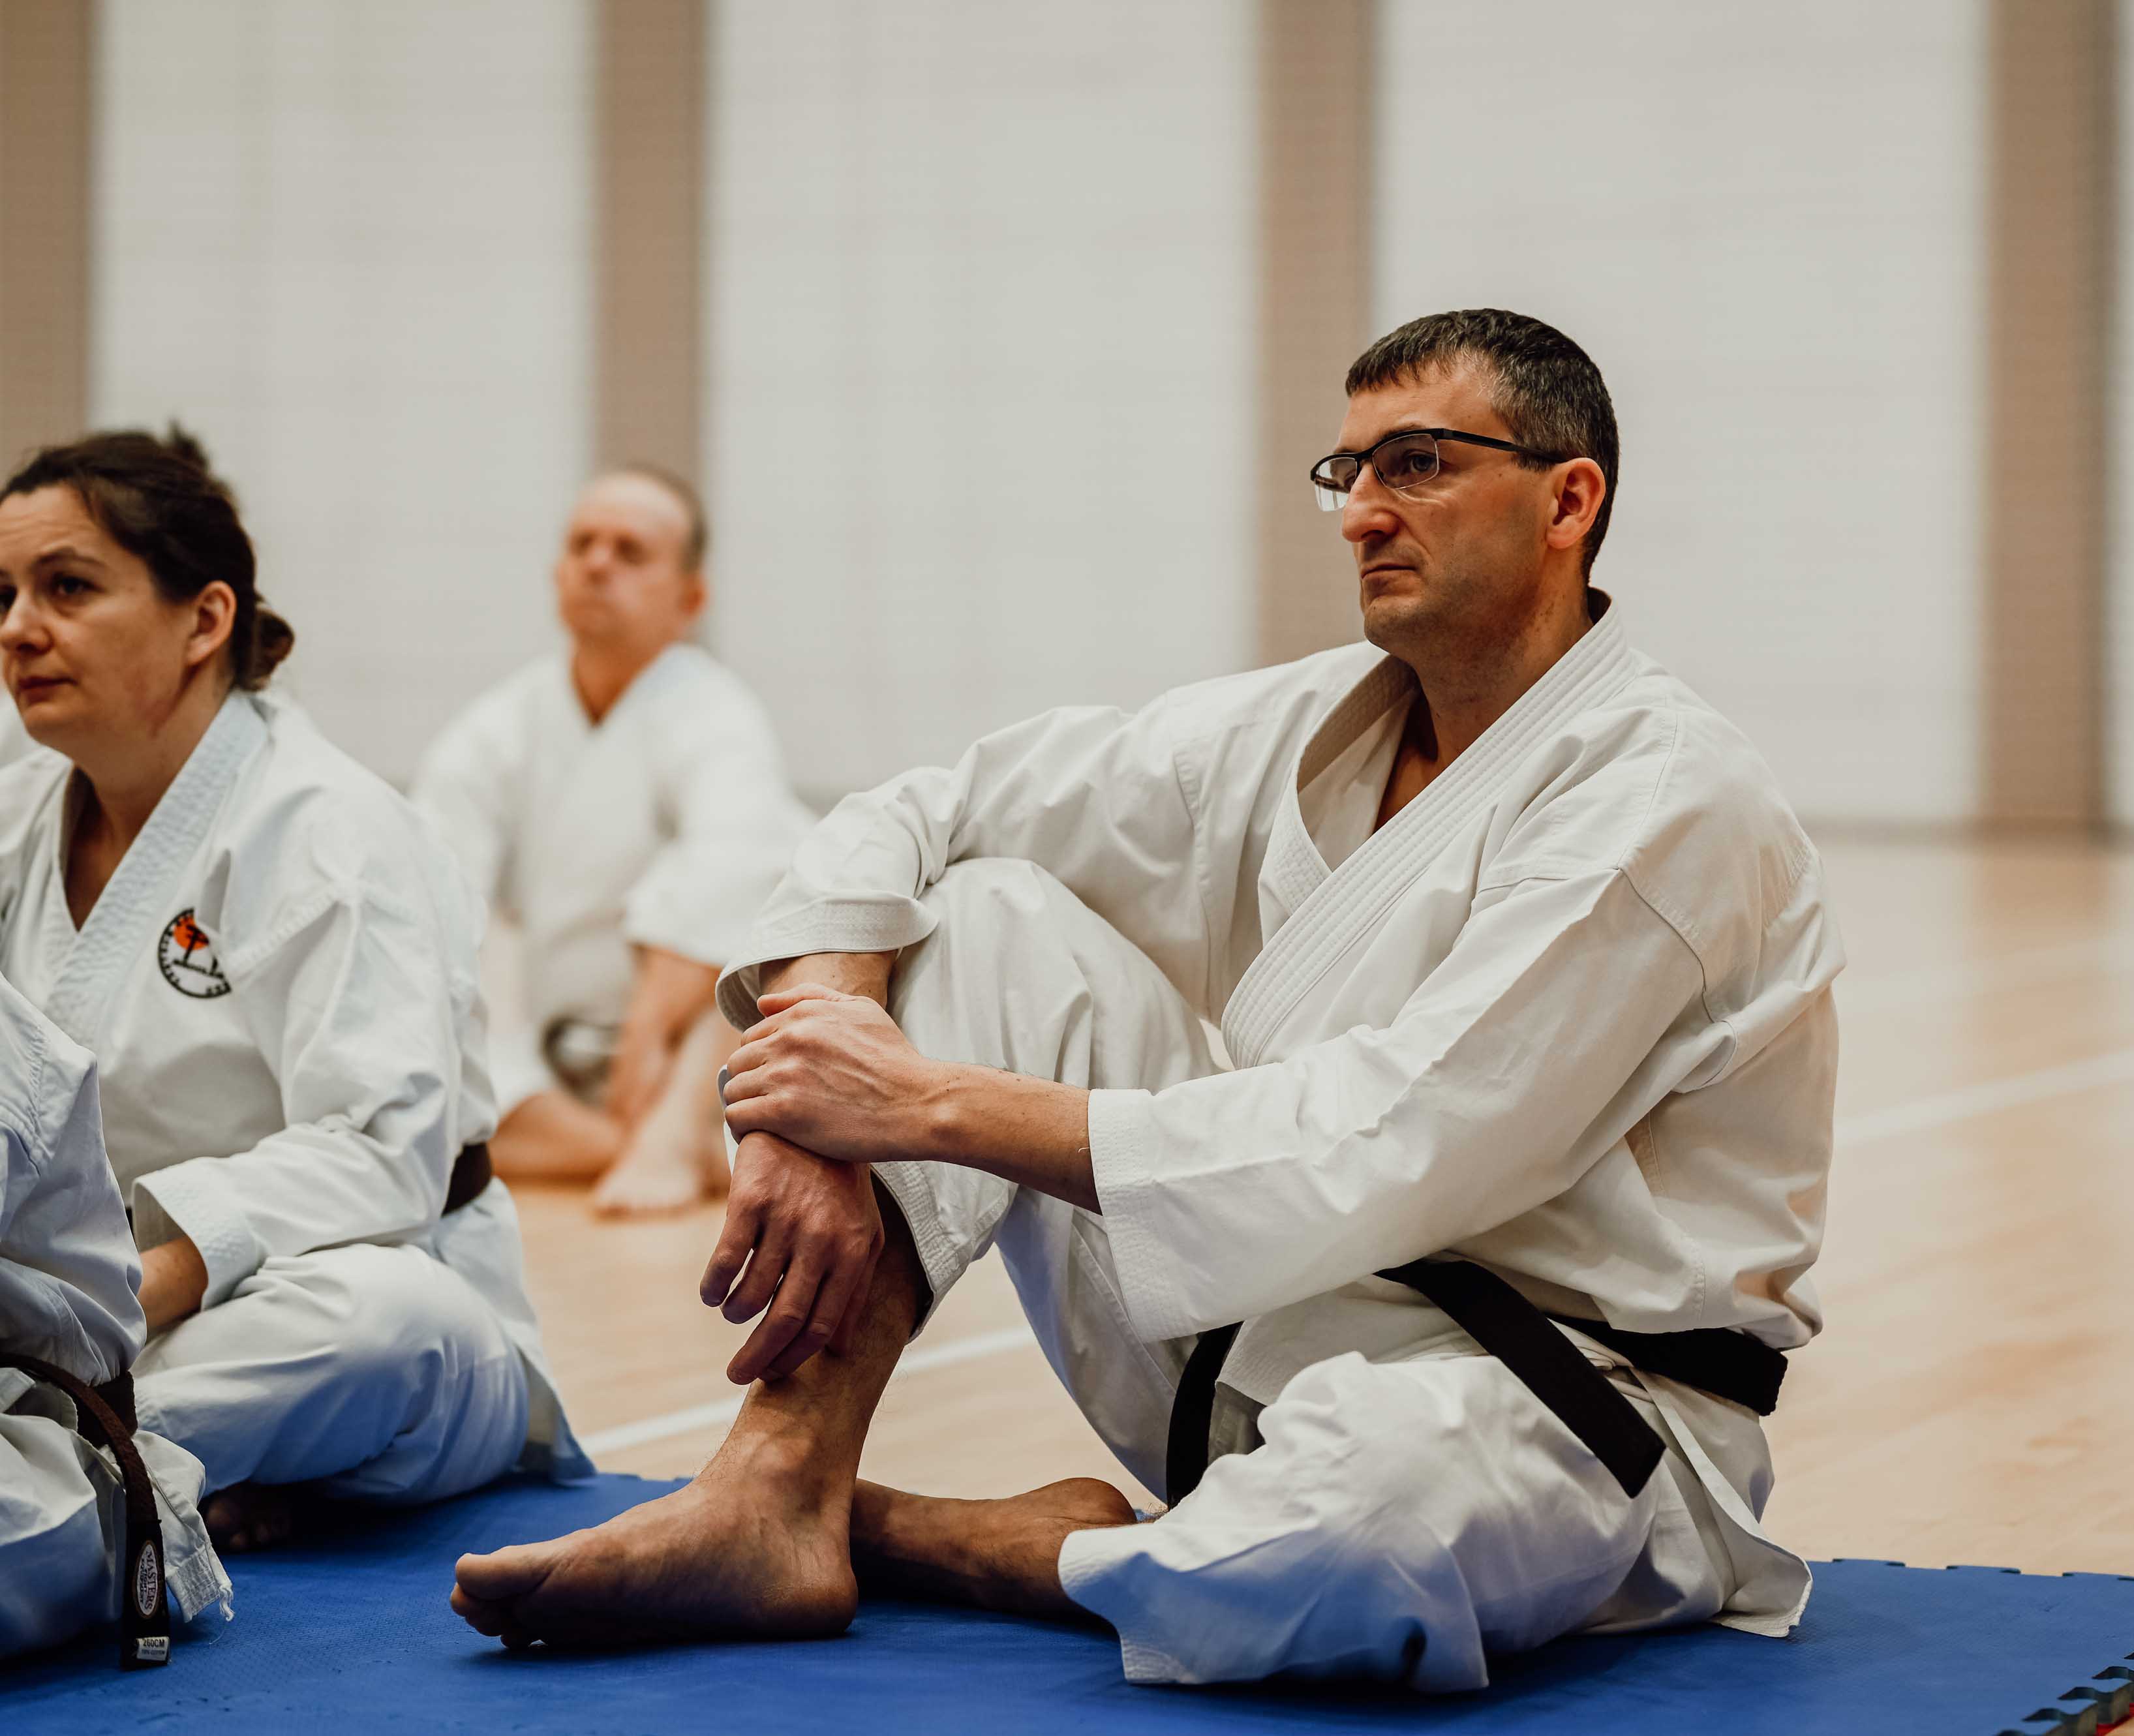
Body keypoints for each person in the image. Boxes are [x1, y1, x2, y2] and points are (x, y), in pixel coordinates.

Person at [451, 311, 1841, 1690]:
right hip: (1253, 1334)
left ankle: (939, 1536)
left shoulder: (1664, 795)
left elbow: (1397, 1137)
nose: (1361, 511)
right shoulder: (1285, 732)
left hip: (1558, 1407)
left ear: (1567, 499)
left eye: (1414, 463)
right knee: (979, 914)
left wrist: (923, 1103)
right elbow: (922, 807)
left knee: (1364, 1529)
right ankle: (779, 1478)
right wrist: (820, 1062)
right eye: (1345, 472)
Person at [0, 429, 588, 1556]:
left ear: (205, 620)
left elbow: (382, 1154)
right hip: (83, 1321)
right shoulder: (17, 822)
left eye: (67, 587)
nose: (20, 628)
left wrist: (112, 1306)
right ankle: (128, 1470)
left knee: (375, 1326)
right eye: (6, 594)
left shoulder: (333, 829)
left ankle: (78, 1462)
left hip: (315, 1308)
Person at [414, 468, 811, 1216]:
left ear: (689, 600)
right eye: (582, 544)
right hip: (562, 1062)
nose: (598, 563)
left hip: (691, 1046)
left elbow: (733, 865)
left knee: (791, 872)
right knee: (424, 1049)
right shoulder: (499, 729)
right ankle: (622, 1145)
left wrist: (651, 1031)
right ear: (558, 574)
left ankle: (673, 1130)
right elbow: (432, 886)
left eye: (630, 552)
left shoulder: (715, 715)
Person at [1, 970, 229, 1660]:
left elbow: (384, 1151)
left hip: (49, 1422)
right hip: (118, 1298)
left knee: (380, 1326)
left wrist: (188, 1264)